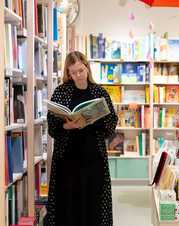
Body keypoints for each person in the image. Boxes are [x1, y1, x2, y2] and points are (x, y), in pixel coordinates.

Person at [45, 51, 118, 226]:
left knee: (93, 205)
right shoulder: (61, 92)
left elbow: (110, 124)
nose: (78, 75)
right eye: (73, 72)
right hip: (67, 161)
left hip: (93, 159)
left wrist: (91, 121)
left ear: (87, 67)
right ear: (68, 73)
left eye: (80, 70)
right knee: (68, 206)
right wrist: (66, 126)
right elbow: (52, 126)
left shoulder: (100, 92)